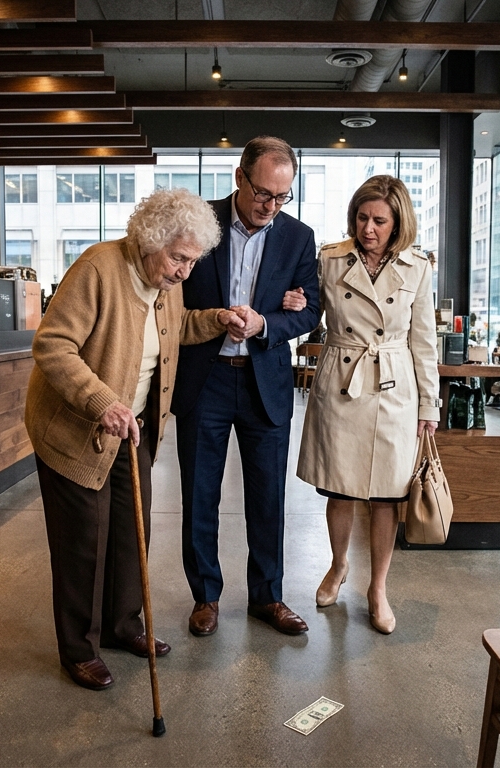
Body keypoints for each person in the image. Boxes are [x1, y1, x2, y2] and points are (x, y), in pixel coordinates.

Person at [24, 188, 242, 691]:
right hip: (77, 430)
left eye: (192, 260)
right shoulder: (99, 268)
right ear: (150, 240)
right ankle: (79, 648)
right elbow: (52, 346)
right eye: (178, 258)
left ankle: (124, 626)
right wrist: (102, 403)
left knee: (131, 532)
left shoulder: (165, 282)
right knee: (85, 541)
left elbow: (174, 328)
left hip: (132, 428)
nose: (184, 271)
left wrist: (215, 319)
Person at [172, 136, 321, 638]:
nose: (270, 206)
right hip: (205, 377)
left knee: (267, 497)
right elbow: (172, 293)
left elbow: (312, 310)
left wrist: (267, 325)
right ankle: (206, 596)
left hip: (265, 382)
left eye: (282, 197)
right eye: (263, 193)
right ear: (240, 178)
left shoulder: (298, 237)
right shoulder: (201, 223)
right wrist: (216, 319)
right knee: (199, 494)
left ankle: (268, 597)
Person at [294, 175, 439, 635]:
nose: (368, 228)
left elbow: (424, 340)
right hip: (343, 378)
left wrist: (429, 406)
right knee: (340, 488)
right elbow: (308, 314)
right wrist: (297, 304)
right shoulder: (331, 259)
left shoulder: (418, 267)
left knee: (385, 497)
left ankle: (378, 588)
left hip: (395, 387)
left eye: (379, 220)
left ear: (398, 224)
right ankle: (338, 566)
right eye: (362, 217)